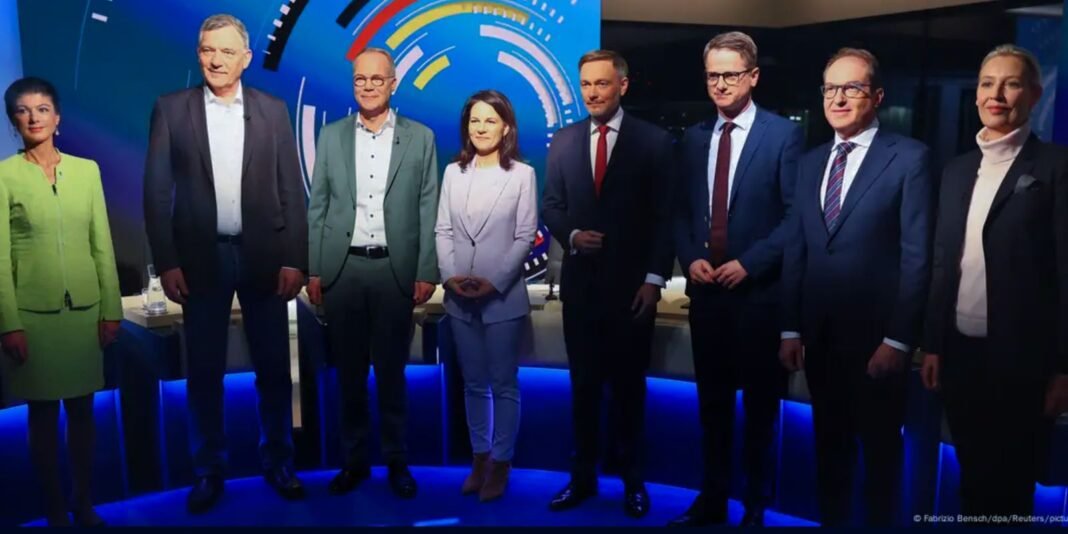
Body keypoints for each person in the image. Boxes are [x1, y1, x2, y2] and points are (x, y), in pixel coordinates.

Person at [143, 14, 308, 513]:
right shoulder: (170, 109)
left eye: (226, 51)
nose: (215, 60)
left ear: (246, 58)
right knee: (204, 373)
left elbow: (291, 189)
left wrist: (295, 258)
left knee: (274, 370)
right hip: (200, 260)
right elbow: (156, 193)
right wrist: (167, 262)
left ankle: (278, 461)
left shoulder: (273, 110)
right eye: (207, 50)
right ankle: (208, 470)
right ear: (199, 53)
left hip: (264, 257)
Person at [778, 48, 934, 526]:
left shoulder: (909, 158)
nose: (839, 98)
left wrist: (898, 340)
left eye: (852, 88)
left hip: (876, 344)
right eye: (831, 88)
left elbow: (917, 257)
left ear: (878, 96)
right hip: (820, 341)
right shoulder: (809, 162)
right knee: (830, 456)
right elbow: (798, 250)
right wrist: (790, 328)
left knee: (880, 462)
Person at [921, 44, 1068, 521]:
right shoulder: (957, 170)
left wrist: (1064, 368)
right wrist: (933, 344)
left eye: (1011, 84)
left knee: (1011, 488)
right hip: (959, 356)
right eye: (987, 83)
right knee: (971, 478)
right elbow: (944, 263)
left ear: (1034, 95)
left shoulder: (1056, 167)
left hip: (1023, 363)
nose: (996, 95)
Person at [669, 31, 802, 528]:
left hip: (758, 297)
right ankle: (712, 499)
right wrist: (689, 257)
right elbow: (681, 212)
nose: (720, 85)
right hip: (707, 298)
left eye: (729, 75)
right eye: (712, 76)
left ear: (753, 76)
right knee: (713, 407)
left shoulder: (782, 135)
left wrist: (751, 263)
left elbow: (794, 218)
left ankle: (755, 506)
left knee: (760, 410)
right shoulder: (694, 137)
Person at [541, 49, 675, 518]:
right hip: (582, 288)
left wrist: (654, 280)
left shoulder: (654, 142)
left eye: (601, 83)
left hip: (632, 291)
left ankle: (633, 481)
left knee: (629, 391)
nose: (593, 93)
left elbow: (665, 218)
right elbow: (551, 205)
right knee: (582, 389)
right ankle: (582, 478)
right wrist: (573, 235)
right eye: (586, 84)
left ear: (623, 85)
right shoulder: (563, 141)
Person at [306, 47, 439, 499]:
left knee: (391, 374)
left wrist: (427, 268)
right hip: (343, 270)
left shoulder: (421, 138)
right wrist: (315, 268)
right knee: (348, 375)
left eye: (376, 79)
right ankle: (354, 462)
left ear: (393, 84)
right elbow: (318, 207)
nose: (367, 86)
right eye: (360, 79)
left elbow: (428, 206)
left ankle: (397, 460)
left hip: (394, 270)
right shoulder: (331, 136)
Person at [0, 77, 122, 526]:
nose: (33, 117)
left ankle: (82, 501)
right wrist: (9, 323)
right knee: (43, 417)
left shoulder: (87, 171)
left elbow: (102, 245)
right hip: (33, 318)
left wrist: (111, 310)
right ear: (13, 122)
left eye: (42, 109)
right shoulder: (3, 176)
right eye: (23, 110)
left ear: (57, 118)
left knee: (84, 413)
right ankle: (53, 507)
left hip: (85, 314)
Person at [435, 90, 537, 502]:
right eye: (475, 120)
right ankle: (479, 458)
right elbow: (443, 230)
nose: (481, 128)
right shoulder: (452, 172)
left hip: (502, 298)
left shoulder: (522, 175)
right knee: (473, 383)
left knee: (503, 384)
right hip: (460, 298)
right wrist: (450, 278)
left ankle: (501, 462)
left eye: (490, 120)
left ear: (506, 127)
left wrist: (494, 281)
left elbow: (525, 236)